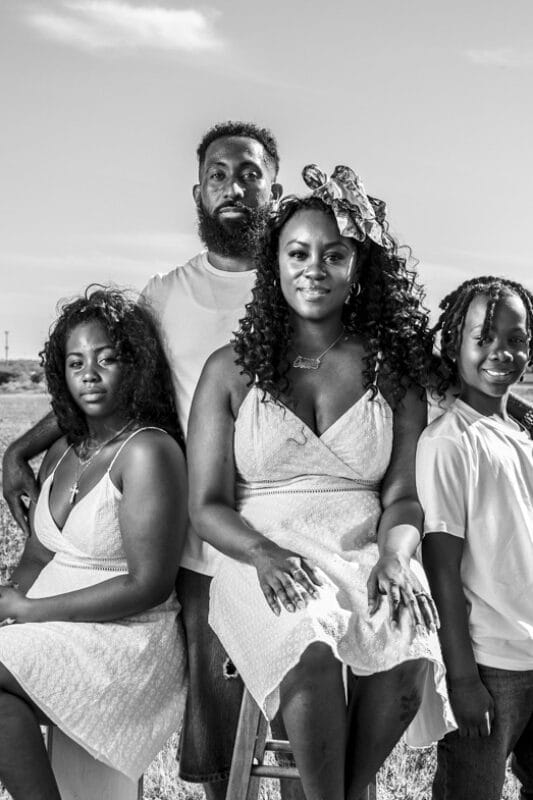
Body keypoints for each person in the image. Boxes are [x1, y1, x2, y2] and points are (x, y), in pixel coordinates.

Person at [2, 121, 292, 800]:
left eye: (248, 173)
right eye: (217, 175)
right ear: (198, 191)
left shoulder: (301, 282)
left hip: (289, 529)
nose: (233, 187)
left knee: (306, 731)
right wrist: (27, 444)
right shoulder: (169, 294)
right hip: (199, 542)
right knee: (221, 745)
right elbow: (113, 385)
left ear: (273, 188)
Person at [188, 165, 456, 800]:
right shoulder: (229, 369)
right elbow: (206, 506)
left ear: (356, 268)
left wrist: (394, 557)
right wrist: (262, 553)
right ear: (274, 264)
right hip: (261, 552)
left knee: (410, 643)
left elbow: (402, 496)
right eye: (298, 252)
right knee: (309, 641)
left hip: (365, 541)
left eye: (333, 255)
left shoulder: (392, 371)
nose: (315, 268)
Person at [0, 286, 188, 800]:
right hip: (55, 626)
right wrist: (8, 600)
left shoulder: (149, 450)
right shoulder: (62, 447)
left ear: (136, 365)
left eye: (107, 359)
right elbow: (38, 555)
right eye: (75, 361)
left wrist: (32, 612)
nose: (89, 373)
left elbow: (148, 585)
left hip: (127, 638)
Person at [418, 276, 533, 800]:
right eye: (482, 338)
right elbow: (442, 570)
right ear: (454, 344)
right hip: (490, 666)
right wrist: (462, 678)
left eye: (515, 338)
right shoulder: (448, 441)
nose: (500, 352)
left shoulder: (522, 432)